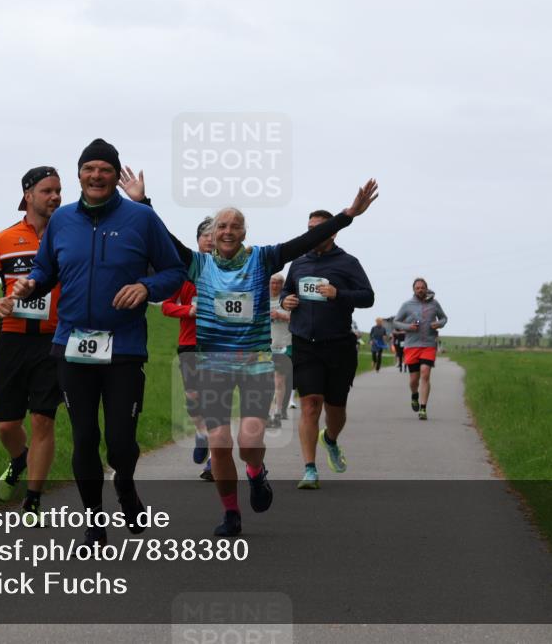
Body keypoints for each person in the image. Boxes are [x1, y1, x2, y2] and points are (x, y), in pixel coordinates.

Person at [120, 169, 379, 534]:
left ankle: (256, 474)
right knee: (220, 444)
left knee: (248, 443)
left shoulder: (263, 259)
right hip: (212, 364)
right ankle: (230, 512)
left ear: (244, 233)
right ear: (212, 234)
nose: (227, 232)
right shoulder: (198, 265)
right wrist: (142, 203)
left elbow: (307, 240)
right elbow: (164, 238)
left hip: (256, 364)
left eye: (235, 226)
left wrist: (347, 215)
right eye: (221, 226)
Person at [11, 139, 186, 547]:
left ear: (114, 174)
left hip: (123, 348)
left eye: (105, 169)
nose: (96, 176)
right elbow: (45, 269)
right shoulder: (62, 220)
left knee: (121, 443)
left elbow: (174, 271)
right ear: (79, 175)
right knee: (85, 436)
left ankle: (125, 484)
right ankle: (93, 521)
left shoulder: (141, 219)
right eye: (89, 169)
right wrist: (30, 283)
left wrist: (146, 286)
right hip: (72, 346)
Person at [0, 166, 62, 521]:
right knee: (7, 425)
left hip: (53, 342)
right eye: (47, 191)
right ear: (29, 195)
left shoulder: (67, 236)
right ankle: (18, 459)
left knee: (43, 420)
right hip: (11, 339)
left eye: (59, 190)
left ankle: (34, 500)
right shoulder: (5, 239)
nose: (55, 197)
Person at [281, 210, 375, 490]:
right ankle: (309, 469)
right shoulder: (298, 263)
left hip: (338, 345)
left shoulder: (348, 263)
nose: (311, 233)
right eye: (308, 228)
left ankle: (331, 439)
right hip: (304, 344)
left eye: (317, 229)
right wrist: (286, 301)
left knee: (336, 409)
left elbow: (368, 297)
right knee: (310, 404)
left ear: (332, 231)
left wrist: (339, 294)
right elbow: (286, 291)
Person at [162, 217, 216, 481]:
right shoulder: (184, 275)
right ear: (197, 240)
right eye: (204, 234)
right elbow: (166, 306)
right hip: (189, 343)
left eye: (213, 235)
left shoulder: (227, 274)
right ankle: (201, 433)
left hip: (218, 344)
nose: (209, 239)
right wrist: (189, 310)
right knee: (194, 400)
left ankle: (214, 463)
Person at [393, 279, 448, 420]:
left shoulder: (434, 304)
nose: (420, 290)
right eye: (417, 288)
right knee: (413, 380)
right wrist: (408, 327)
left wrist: (438, 324)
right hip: (412, 346)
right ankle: (414, 395)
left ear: (426, 288)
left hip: (429, 344)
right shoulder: (407, 305)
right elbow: (396, 322)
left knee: (425, 374)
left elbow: (444, 318)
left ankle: (423, 409)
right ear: (413, 290)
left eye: (422, 287)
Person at [267, 273, 293, 429]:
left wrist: (280, 315)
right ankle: (269, 413)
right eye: (272, 282)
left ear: (282, 285)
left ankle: (277, 414)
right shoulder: (263, 299)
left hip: (284, 344)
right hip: (266, 345)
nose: (274, 285)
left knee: (279, 380)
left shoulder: (286, 300)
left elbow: (296, 319)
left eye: (277, 283)